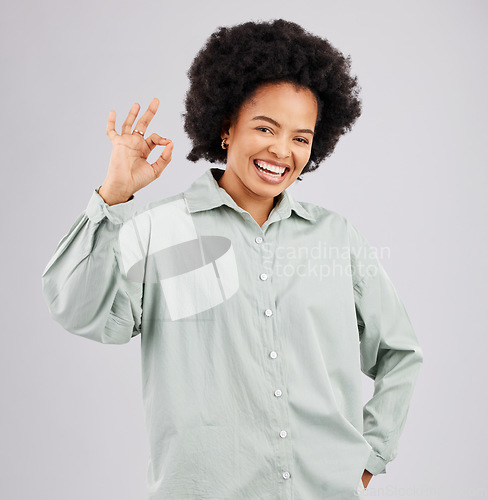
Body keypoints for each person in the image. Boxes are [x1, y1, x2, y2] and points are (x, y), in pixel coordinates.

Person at [41, 19, 424, 499]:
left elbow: (400, 353)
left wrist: (372, 456)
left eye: (300, 138)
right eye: (266, 128)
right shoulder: (162, 231)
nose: (282, 151)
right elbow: (78, 310)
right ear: (226, 127)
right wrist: (113, 197)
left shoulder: (336, 237)